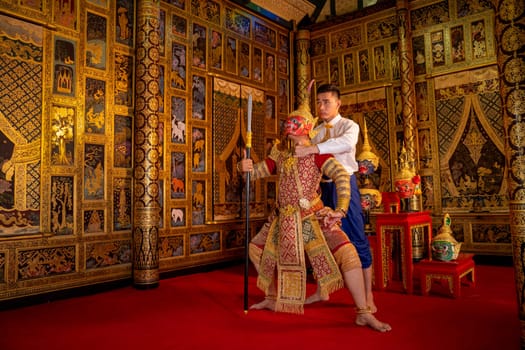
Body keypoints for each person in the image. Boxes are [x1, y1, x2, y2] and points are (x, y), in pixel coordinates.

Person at [239, 105, 391, 332]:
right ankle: (272, 296)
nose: (288, 127)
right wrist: (246, 168)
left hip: (312, 217)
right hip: (283, 219)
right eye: (288, 123)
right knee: (256, 248)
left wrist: (340, 209)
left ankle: (363, 312)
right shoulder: (281, 154)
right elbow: (258, 172)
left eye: (295, 123)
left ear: (306, 128)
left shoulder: (317, 154)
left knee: (348, 253)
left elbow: (341, 175)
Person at [295, 83, 376, 312]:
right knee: (319, 239)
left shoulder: (349, 126)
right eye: (318, 102)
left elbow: (345, 144)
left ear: (338, 103)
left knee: (357, 238)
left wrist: (313, 149)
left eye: (326, 102)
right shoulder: (316, 131)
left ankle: (368, 297)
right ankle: (323, 291)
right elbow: (302, 139)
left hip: (344, 186)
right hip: (321, 188)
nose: (321, 106)